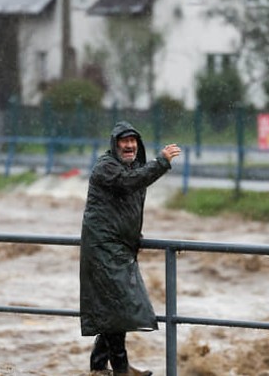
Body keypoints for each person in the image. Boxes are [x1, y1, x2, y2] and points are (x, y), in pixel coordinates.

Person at [80, 121, 181, 376]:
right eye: (124, 141)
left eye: (133, 141)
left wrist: (134, 236)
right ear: (115, 145)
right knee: (119, 307)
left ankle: (99, 366)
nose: (129, 146)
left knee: (115, 309)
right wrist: (161, 162)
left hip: (118, 248)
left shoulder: (131, 167)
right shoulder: (107, 167)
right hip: (104, 249)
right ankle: (121, 369)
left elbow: (125, 205)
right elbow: (129, 182)